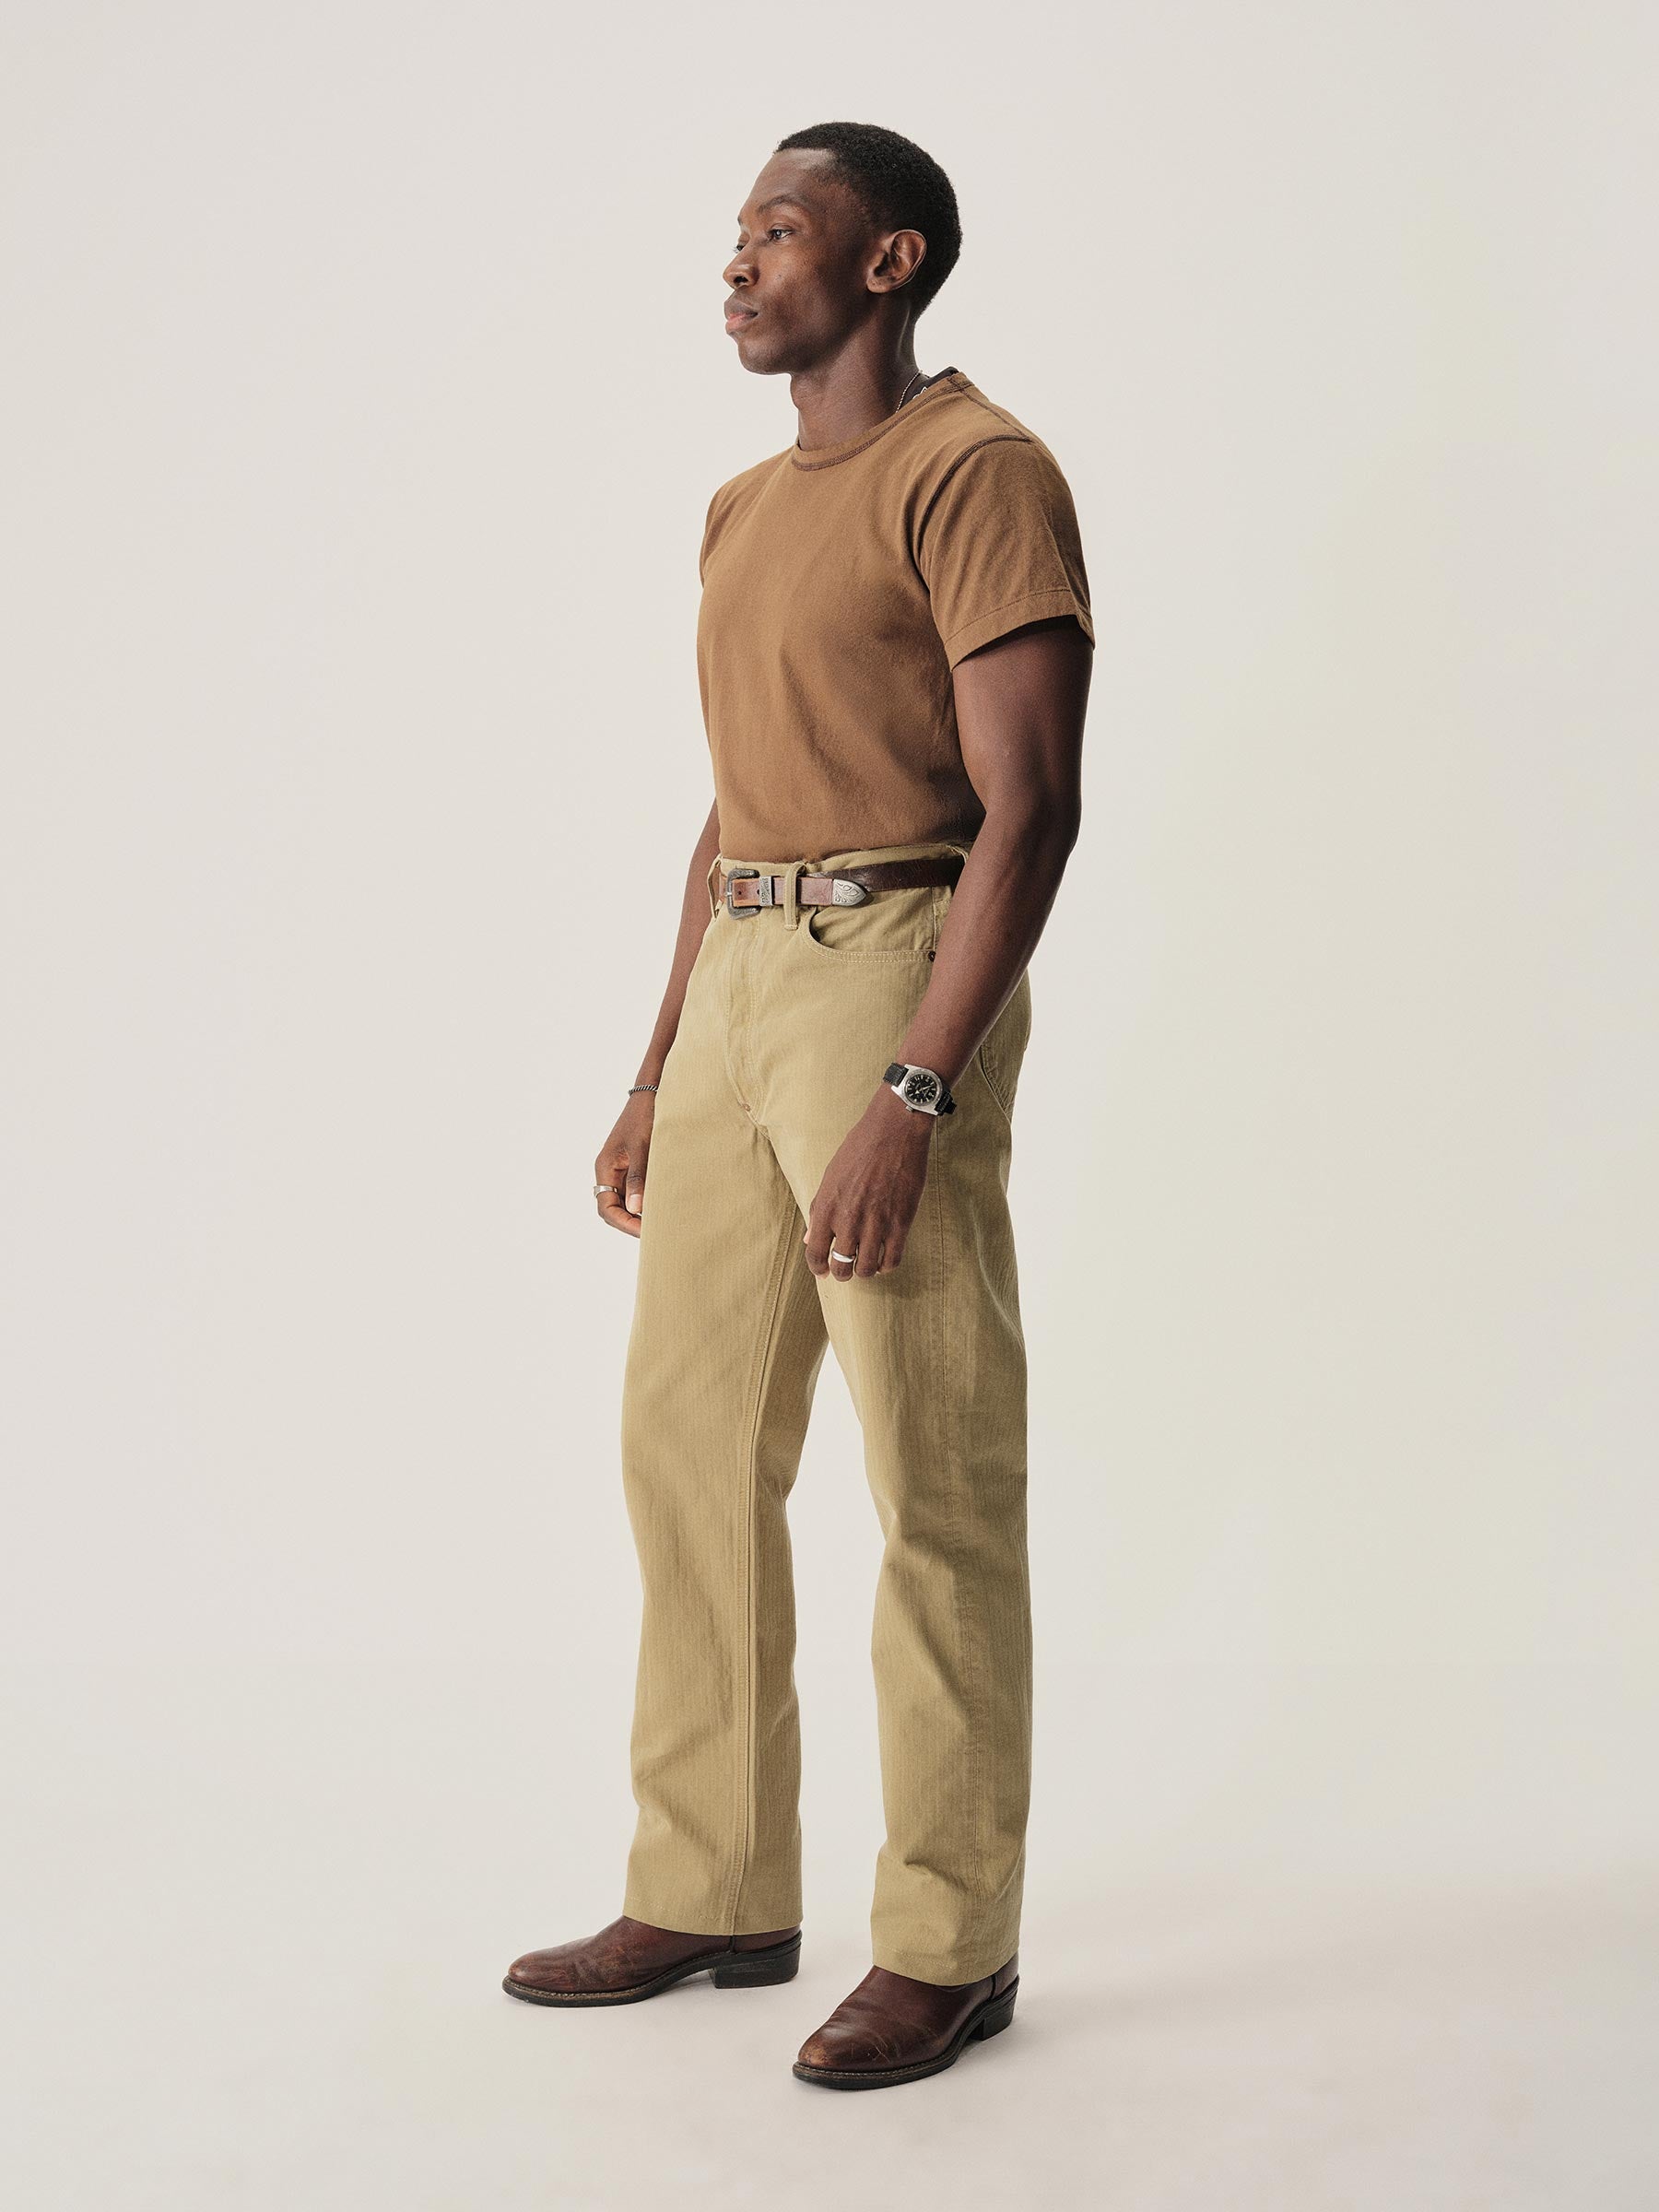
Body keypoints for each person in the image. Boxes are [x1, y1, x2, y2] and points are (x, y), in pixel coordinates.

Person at [503, 120, 1093, 2091]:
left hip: (891, 967)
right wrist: (655, 1060)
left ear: (887, 260)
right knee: (684, 1449)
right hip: (744, 967)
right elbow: (735, 799)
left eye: (778, 230)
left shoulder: (976, 471)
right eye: (737, 235)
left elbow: (1032, 806)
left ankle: (949, 1940)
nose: (739, 263)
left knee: (934, 1471)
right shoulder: (742, 507)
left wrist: (917, 1085)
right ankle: (713, 1886)